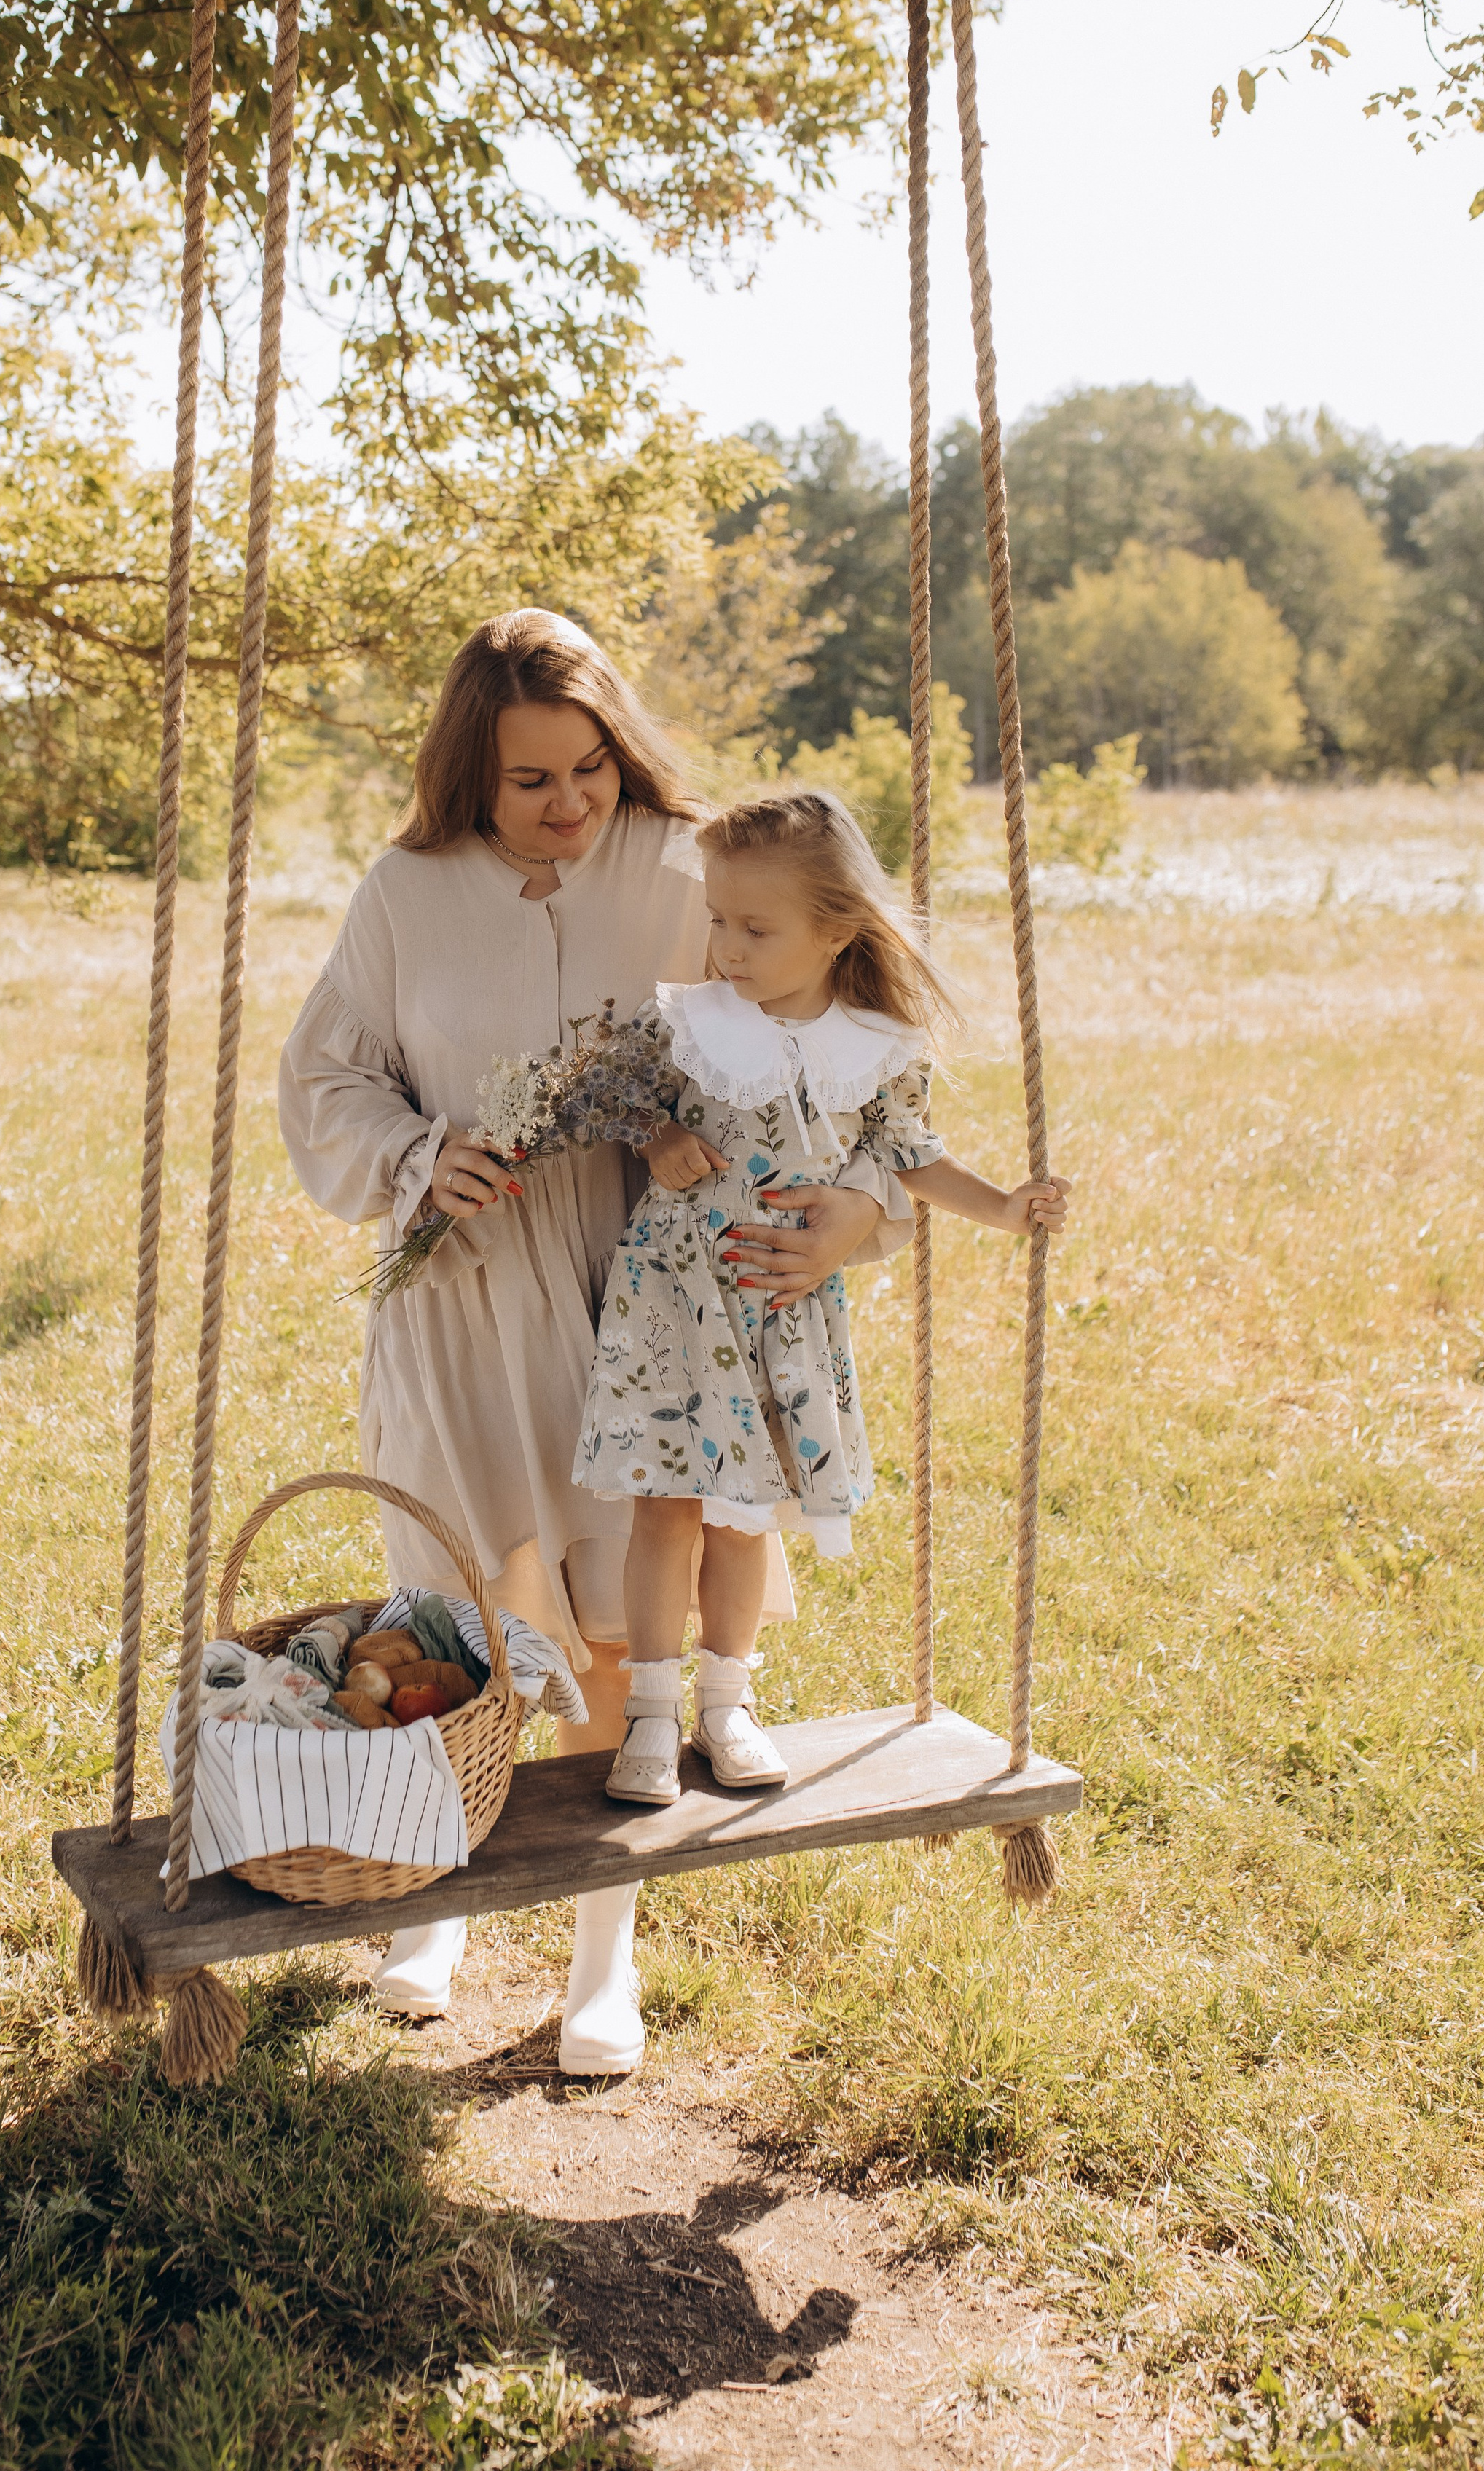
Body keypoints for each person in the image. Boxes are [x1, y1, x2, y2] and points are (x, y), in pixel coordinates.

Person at [278, 618, 895, 2071]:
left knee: (624, 1623)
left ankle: (599, 1957)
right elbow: (325, 1075)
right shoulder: (402, 891)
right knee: (457, 1607)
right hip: (459, 1291)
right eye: (527, 783)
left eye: (588, 770)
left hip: (644, 1292)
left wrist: (850, 1210)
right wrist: (419, 1155)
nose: (566, 805)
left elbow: (827, 1006)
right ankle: (432, 1907)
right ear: (466, 780)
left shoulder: (686, 866)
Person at [571, 788, 1072, 1808]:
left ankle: (728, 1704)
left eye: (755, 928)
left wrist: (1008, 1209)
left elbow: (913, 1159)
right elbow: (603, 1094)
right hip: (678, 1306)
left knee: (745, 1516)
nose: (728, 945)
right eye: (718, 918)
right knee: (667, 1511)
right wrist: (657, 1138)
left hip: (775, 1311)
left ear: (836, 929)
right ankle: (652, 1718)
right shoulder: (689, 1019)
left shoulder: (877, 1044)